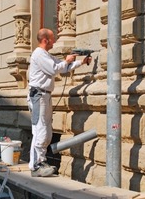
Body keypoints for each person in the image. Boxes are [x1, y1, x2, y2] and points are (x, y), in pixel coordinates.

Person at [27, 28, 92, 177]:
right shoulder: (38, 54)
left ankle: (39, 162)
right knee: (40, 130)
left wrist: (81, 62)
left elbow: (63, 67)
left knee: (47, 130)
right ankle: (36, 165)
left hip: (45, 95)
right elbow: (54, 69)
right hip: (38, 95)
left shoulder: (46, 55)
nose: (54, 41)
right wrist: (68, 60)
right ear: (45, 40)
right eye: (52, 39)